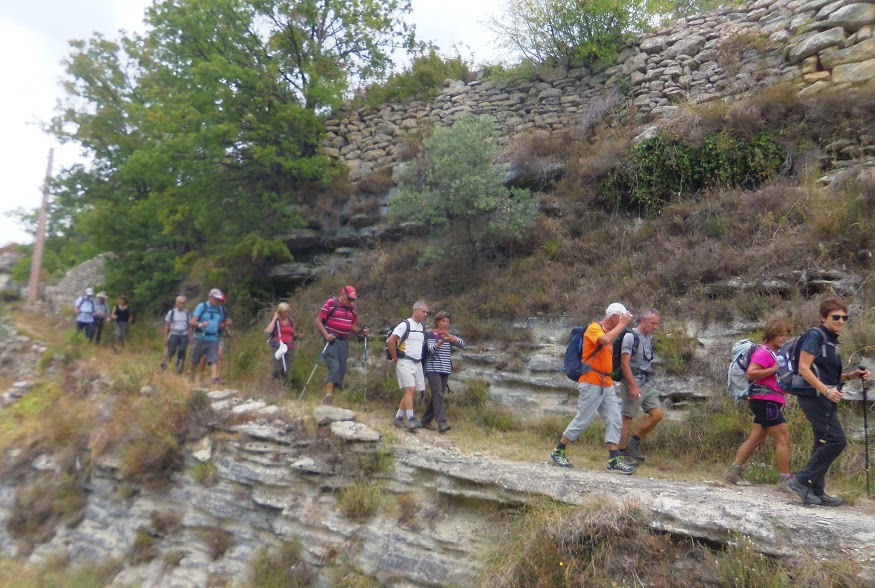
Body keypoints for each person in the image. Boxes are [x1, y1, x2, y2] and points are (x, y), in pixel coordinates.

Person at [787, 298, 870, 506]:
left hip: (822, 395)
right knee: (836, 440)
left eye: (845, 317)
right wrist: (826, 390)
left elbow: (827, 374)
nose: (841, 321)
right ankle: (800, 480)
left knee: (821, 441)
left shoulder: (832, 340)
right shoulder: (816, 335)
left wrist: (852, 376)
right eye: (836, 317)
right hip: (813, 396)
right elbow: (804, 368)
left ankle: (816, 490)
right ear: (823, 317)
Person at [550, 303, 636, 474]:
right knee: (583, 419)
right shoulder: (594, 328)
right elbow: (604, 340)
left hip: (607, 383)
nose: (623, 321)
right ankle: (559, 450)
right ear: (613, 317)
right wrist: (622, 325)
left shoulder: (611, 332)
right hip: (591, 381)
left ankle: (613, 459)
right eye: (621, 317)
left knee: (614, 419)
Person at [725, 319, 793, 490]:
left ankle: (734, 471)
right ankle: (785, 480)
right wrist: (774, 369)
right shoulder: (764, 352)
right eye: (780, 335)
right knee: (783, 438)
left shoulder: (774, 353)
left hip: (766, 401)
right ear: (771, 335)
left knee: (757, 438)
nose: (784, 338)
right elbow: (751, 373)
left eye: (786, 335)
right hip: (765, 401)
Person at [616, 308, 663, 466]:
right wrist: (633, 386)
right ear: (642, 320)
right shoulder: (631, 337)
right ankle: (620, 453)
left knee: (657, 414)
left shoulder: (648, 337)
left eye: (657, 324)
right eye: (652, 323)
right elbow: (624, 363)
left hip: (648, 383)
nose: (655, 327)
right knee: (627, 418)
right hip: (634, 381)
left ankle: (633, 442)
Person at [314, 285, 369, 405]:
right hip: (331, 339)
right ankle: (328, 396)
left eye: (352, 299)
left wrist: (361, 331)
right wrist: (326, 335)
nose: (350, 301)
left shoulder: (352, 308)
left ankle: (332, 389)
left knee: (342, 368)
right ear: (342, 294)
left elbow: (351, 325)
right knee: (334, 366)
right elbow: (318, 321)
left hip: (344, 341)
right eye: (349, 298)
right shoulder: (331, 304)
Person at [387, 301, 429, 430]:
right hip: (405, 361)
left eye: (426, 312)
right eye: (423, 311)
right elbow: (391, 340)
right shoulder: (405, 325)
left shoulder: (422, 327)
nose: (425, 314)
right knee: (410, 389)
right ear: (415, 310)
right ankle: (411, 419)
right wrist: (394, 357)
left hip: (417, 363)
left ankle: (398, 418)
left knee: (410, 391)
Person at [422, 310, 465, 434]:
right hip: (433, 368)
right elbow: (431, 350)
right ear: (437, 322)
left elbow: (463, 344)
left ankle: (425, 420)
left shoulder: (449, 335)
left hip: (445, 369)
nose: (446, 324)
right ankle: (442, 423)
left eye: (448, 322)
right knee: (438, 395)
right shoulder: (432, 334)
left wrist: (453, 338)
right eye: (443, 321)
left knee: (437, 395)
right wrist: (441, 341)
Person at [190, 289, 227, 386]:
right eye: (216, 299)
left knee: (214, 359)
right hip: (200, 337)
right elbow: (192, 321)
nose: (217, 301)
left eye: (218, 299)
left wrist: (224, 325)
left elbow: (220, 325)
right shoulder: (202, 306)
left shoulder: (219, 309)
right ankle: (192, 374)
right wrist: (201, 324)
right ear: (210, 297)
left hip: (213, 338)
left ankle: (214, 380)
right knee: (195, 359)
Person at [265, 302, 298, 382]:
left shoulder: (290, 321)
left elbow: (293, 332)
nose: (287, 314)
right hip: (278, 345)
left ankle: (282, 385)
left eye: (288, 312)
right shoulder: (276, 321)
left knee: (286, 367)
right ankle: (271, 380)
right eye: (285, 312)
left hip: (289, 345)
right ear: (281, 312)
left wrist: (298, 335)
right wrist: (274, 318)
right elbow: (268, 331)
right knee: (279, 367)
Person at [161, 296, 192, 374]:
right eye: (180, 303)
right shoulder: (171, 312)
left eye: (183, 303)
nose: (181, 305)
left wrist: (190, 337)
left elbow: (189, 326)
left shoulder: (187, 313)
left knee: (182, 352)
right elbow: (167, 325)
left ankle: (179, 370)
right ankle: (163, 367)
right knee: (170, 352)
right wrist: (165, 337)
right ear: (176, 303)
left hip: (184, 334)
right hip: (174, 334)